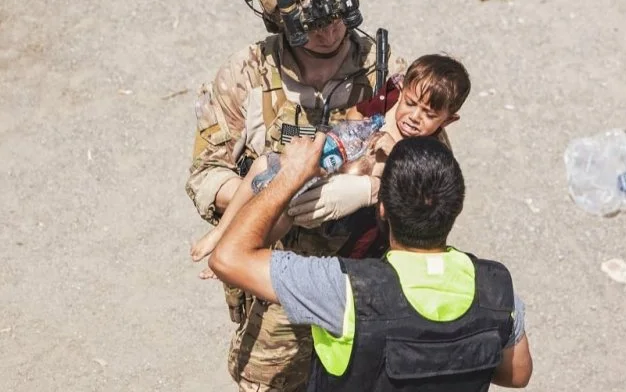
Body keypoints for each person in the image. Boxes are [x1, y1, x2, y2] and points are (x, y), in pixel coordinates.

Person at [186, 0, 402, 392]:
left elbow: (429, 179)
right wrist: (266, 197)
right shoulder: (244, 78)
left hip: (364, 280)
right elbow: (205, 174)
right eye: (310, 22)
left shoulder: (387, 71)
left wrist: (367, 190)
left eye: (338, 14)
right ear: (280, 18)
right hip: (273, 279)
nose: (330, 32)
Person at [209, 136, 533, 392]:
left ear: (381, 210)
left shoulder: (344, 289)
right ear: (456, 209)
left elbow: (227, 258)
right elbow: (517, 373)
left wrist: (289, 175)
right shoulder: (496, 291)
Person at [190, 54, 470, 270]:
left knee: (289, 207)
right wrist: (356, 134)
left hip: (354, 234)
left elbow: (416, 198)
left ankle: (239, 254)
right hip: (335, 165)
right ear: (404, 88)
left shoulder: (428, 152)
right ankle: (221, 233)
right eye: (411, 103)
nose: (414, 117)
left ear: (448, 120)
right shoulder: (391, 97)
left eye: (429, 114)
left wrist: (393, 156)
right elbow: (354, 114)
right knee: (262, 167)